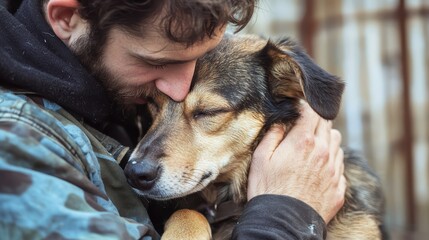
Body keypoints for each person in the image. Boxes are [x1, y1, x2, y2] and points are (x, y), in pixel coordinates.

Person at [0, 0, 346, 239]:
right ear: (65, 18)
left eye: (194, 60)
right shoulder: (14, 143)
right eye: (155, 62)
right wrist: (286, 217)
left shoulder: (114, 97)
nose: (179, 87)